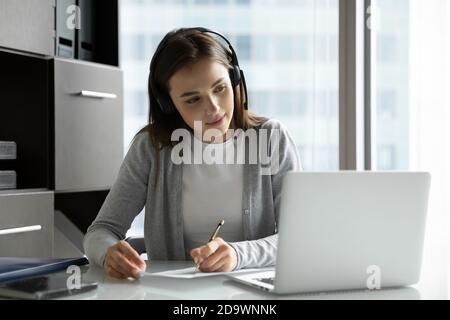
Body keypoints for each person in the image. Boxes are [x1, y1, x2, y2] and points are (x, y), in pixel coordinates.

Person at [83, 27, 301, 280]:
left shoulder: (271, 138)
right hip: (170, 294)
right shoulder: (151, 147)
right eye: (192, 100)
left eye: (220, 89)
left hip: (250, 292)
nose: (213, 109)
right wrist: (108, 252)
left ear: (235, 80)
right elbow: (101, 230)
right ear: (168, 104)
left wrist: (238, 254)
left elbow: (297, 238)